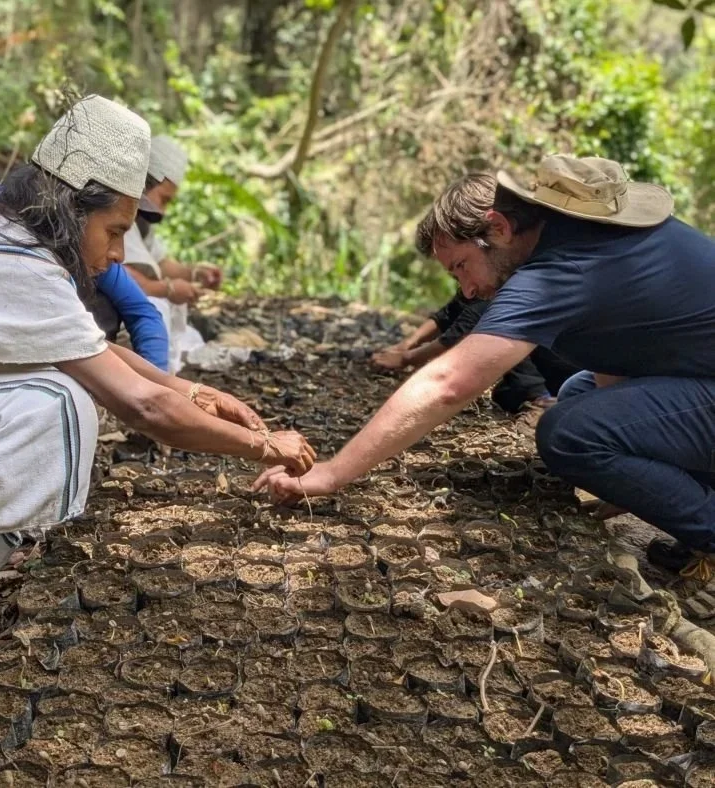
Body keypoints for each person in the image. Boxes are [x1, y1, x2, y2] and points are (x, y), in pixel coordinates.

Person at [0, 95, 314, 673]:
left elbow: (91, 349)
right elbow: (140, 406)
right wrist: (262, 447)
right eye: (113, 230)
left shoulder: (0, 230)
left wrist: (192, 393)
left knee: (56, 389)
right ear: (70, 206)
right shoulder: (12, 260)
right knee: (57, 407)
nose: (114, 255)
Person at [256, 155, 715, 619]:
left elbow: (449, 383)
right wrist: (629, 483)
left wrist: (332, 473)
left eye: (460, 267)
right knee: (580, 394)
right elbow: (621, 359)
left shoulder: (562, 269)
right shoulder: (607, 242)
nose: (467, 290)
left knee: (570, 433)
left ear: (497, 227)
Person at [373, 289, 578, 421]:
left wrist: (406, 358)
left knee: (504, 343)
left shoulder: (507, 286)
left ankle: (541, 400)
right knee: (504, 395)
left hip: (564, 370)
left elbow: (457, 334)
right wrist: (406, 344)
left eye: (460, 265)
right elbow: (449, 313)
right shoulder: (475, 282)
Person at [123, 135, 222, 373]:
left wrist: (194, 273)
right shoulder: (114, 211)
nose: (163, 210)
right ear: (145, 182)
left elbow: (158, 262)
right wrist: (164, 290)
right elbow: (110, 269)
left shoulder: (141, 222)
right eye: (163, 199)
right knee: (157, 308)